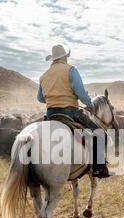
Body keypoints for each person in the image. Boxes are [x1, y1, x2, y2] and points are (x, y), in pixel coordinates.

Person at [37, 45, 109, 178]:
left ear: (53, 59)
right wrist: (89, 104)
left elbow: (40, 98)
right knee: (99, 134)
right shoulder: (71, 70)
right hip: (70, 112)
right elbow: (80, 92)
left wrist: (53, 98)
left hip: (51, 114)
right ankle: (98, 169)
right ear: (64, 57)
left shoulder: (43, 76)